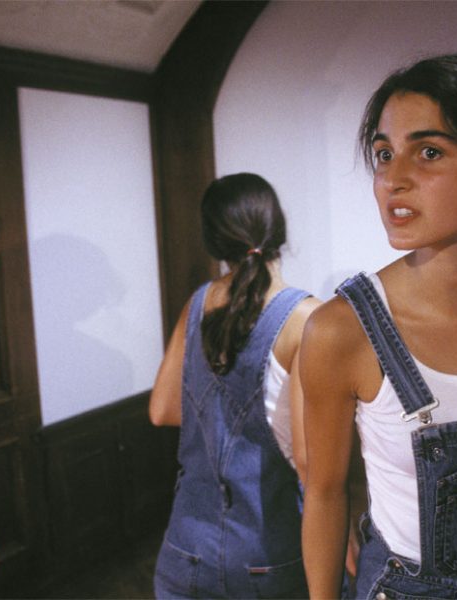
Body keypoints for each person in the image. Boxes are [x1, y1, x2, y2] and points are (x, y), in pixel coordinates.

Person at [301, 53, 457, 599]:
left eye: (428, 152)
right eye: (384, 154)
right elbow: (325, 494)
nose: (392, 179)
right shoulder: (343, 330)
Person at [149, 172, 320, 599]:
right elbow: (308, 459)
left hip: (186, 547)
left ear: (213, 242)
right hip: (269, 552)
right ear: (278, 229)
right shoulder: (305, 317)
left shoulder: (198, 302)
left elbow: (162, 410)